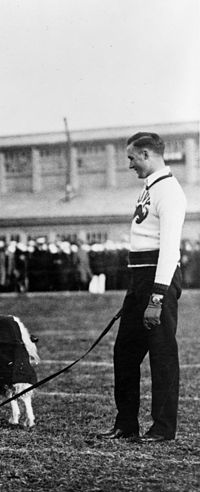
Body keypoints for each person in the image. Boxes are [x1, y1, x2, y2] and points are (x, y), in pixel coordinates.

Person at [96, 132, 186, 443]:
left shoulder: (170, 192)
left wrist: (157, 297)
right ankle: (126, 424)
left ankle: (163, 428)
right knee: (124, 353)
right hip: (140, 281)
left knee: (161, 356)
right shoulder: (151, 188)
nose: (130, 164)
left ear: (147, 154)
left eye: (133, 158)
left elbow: (170, 250)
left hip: (157, 281)